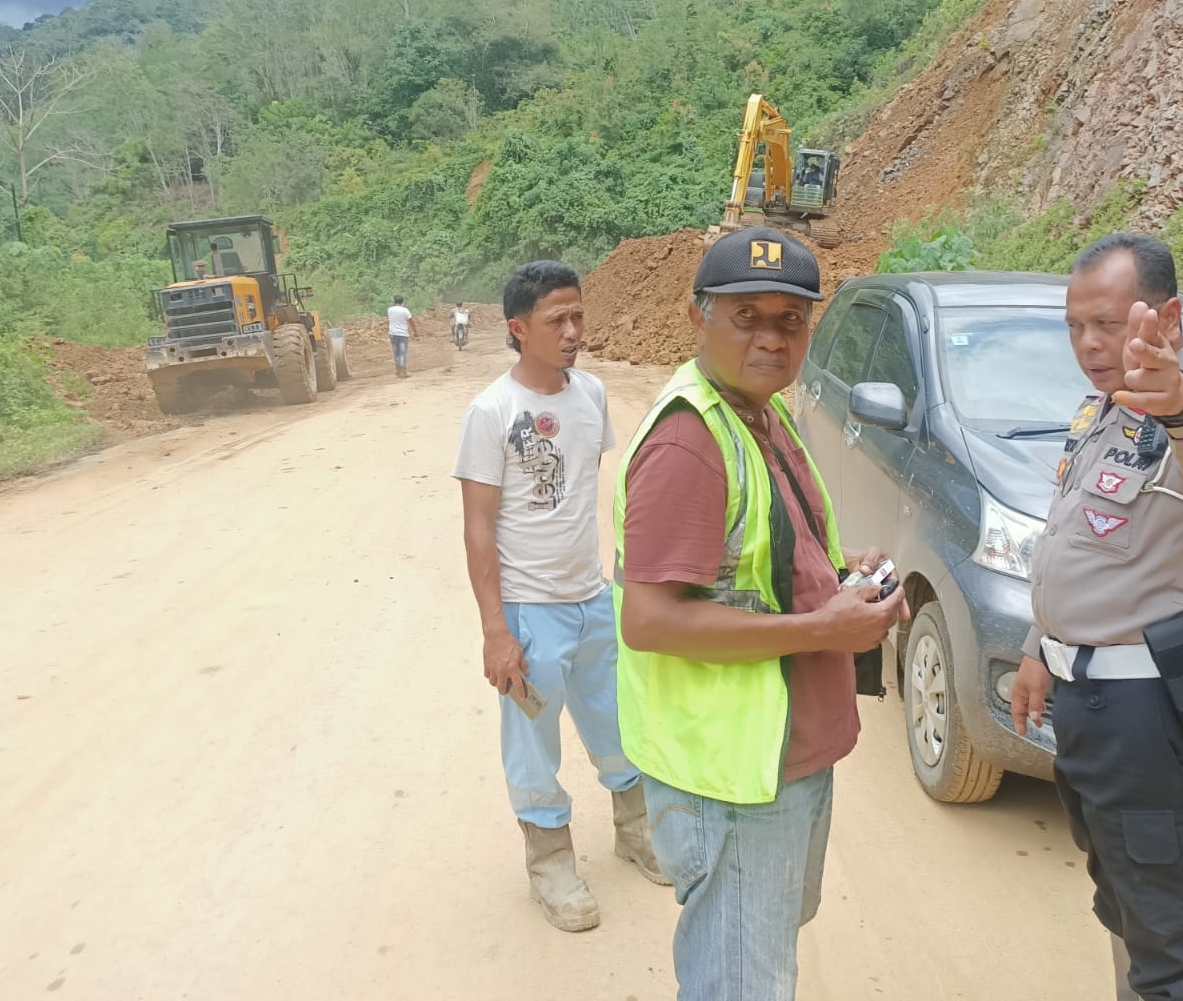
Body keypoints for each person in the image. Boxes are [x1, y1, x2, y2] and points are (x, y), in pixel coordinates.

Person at [613, 227, 908, 1000]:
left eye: (791, 320)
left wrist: (844, 581)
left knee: (757, 959)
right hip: (734, 776)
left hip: (780, 758)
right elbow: (648, 619)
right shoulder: (691, 441)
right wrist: (821, 630)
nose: (772, 339)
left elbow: (763, 563)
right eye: (747, 317)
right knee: (742, 984)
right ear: (697, 317)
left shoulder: (761, 417)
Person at [1008, 233, 1183, 1001]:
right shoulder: (1104, 409)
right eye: (1075, 325)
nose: (1090, 344)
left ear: (1170, 315)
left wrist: (1180, 406)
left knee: (1176, 943)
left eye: (1110, 323)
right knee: (1129, 908)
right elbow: (1080, 543)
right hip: (1094, 708)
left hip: (1159, 718)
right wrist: (1039, 646)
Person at [453, 261, 666, 933]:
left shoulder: (593, 396)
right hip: (528, 610)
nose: (574, 330)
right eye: (557, 320)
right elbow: (478, 527)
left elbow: (595, 494)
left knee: (619, 724)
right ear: (519, 329)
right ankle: (549, 864)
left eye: (578, 315)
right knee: (533, 741)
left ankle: (635, 832)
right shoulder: (491, 412)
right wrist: (496, 630)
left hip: (592, 600)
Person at [387, 295, 413, 378]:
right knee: (402, 353)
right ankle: (403, 372)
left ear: (394, 302)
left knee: (396, 353)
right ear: (403, 302)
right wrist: (415, 332)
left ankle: (397, 371)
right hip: (402, 335)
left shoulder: (390, 310)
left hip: (393, 334)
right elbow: (411, 321)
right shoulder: (405, 310)